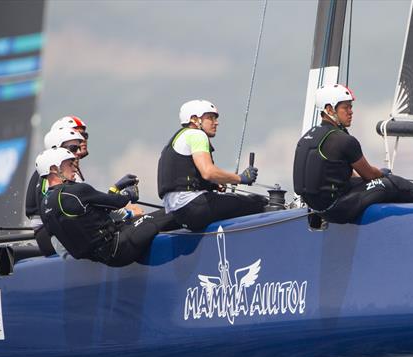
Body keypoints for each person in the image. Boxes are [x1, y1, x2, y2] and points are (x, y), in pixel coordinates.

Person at [293, 84, 413, 224]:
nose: (351, 111)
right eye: (345, 107)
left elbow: (332, 173)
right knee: (392, 183)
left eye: (351, 107)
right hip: (338, 210)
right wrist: (383, 174)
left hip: (318, 210)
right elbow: (369, 174)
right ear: (330, 110)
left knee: (379, 180)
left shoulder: (308, 137)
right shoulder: (343, 140)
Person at [37, 148, 169, 267]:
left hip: (100, 256)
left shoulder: (44, 204)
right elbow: (117, 203)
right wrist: (129, 194)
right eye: (69, 164)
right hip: (119, 248)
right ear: (54, 168)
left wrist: (114, 189)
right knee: (170, 214)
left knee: (145, 220)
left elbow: (95, 211)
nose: (74, 168)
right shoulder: (74, 191)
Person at [157, 99, 267, 231]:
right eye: (210, 118)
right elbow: (208, 172)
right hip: (192, 205)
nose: (216, 122)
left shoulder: (178, 138)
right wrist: (241, 178)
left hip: (178, 211)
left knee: (231, 203)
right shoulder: (197, 135)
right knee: (256, 202)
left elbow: (189, 175)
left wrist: (213, 185)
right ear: (194, 119)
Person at [24, 126, 87, 255]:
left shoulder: (43, 172)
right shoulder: (57, 176)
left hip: (47, 236)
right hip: (55, 240)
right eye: (73, 148)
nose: (78, 152)